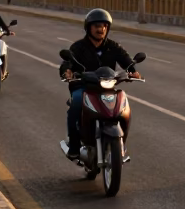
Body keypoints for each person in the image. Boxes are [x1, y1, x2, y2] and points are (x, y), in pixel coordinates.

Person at [59, 9, 139, 158]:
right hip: (83, 87)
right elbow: (67, 63)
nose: (100, 29)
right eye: (96, 26)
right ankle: (75, 147)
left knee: (123, 106)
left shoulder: (113, 46)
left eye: (103, 26)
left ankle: (121, 145)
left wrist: (133, 71)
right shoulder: (78, 47)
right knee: (76, 103)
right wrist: (67, 72)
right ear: (88, 28)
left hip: (106, 87)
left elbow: (126, 60)